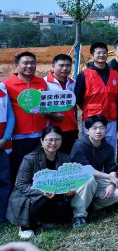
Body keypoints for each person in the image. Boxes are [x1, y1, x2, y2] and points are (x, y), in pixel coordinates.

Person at [6, 126, 93, 238]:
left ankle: (44, 221)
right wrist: (42, 191)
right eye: (49, 140)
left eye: (57, 139)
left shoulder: (65, 158)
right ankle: (26, 227)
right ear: (42, 141)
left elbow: (66, 183)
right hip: (31, 197)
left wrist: (68, 192)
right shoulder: (30, 159)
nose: (53, 143)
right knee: (43, 199)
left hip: (55, 197)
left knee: (65, 214)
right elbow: (21, 186)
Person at [3, 52, 48, 184]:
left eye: (32, 63)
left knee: (38, 170)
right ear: (17, 65)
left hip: (38, 135)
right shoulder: (6, 85)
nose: (29, 66)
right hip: (17, 137)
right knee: (17, 171)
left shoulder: (41, 83)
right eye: (25, 63)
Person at [69, 115, 118, 212]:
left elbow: (111, 169)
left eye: (102, 128)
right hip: (78, 180)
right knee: (89, 180)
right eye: (94, 128)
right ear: (87, 130)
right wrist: (109, 177)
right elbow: (86, 170)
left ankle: (92, 206)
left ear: (106, 129)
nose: (98, 131)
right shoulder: (79, 145)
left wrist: (112, 184)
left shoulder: (108, 147)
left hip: (96, 178)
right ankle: (78, 214)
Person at [74, 43, 118, 149]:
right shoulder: (84, 74)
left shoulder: (114, 74)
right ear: (92, 55)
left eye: (104, 52)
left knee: (110, 146)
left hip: (110, 118)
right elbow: (78, 97)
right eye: (98, 53)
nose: (102, 55)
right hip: (92, 118)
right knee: (90, 147)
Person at [43, 54, 78, 154]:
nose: (65, 68)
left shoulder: (73, 83)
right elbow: (37, 108)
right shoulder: (44, 83)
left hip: (71, 128)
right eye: (61, 65)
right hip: (51, 130)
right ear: (53, 66)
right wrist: (51, 115)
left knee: (70, 157)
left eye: (68, 65)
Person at [0, 75, 16, 225]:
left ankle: (2, 216)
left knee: (4, 181)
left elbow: (10, 116)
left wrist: (5, 138)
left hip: (2, 144)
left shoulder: (2, 88)